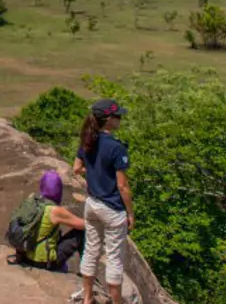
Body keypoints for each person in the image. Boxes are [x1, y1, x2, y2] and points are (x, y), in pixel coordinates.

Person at [74, 99, 135, 304]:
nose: (120, 119)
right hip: (112, 207)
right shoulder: (116, 148)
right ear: (108, 120)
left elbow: (76, 168)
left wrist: (94, 173)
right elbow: (123, 187)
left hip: (92, 204)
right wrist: (131, 213)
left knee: (90, 250)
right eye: (118, 116)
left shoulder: (88, 140)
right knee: (114, 259)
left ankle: (87, 297)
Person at [7, 171, 87, 270]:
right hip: (44, 262)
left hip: (25, 256)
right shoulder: (55, 210)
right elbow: (83, 225)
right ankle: (87, 270)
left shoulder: (32, 202)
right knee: (81, 232)